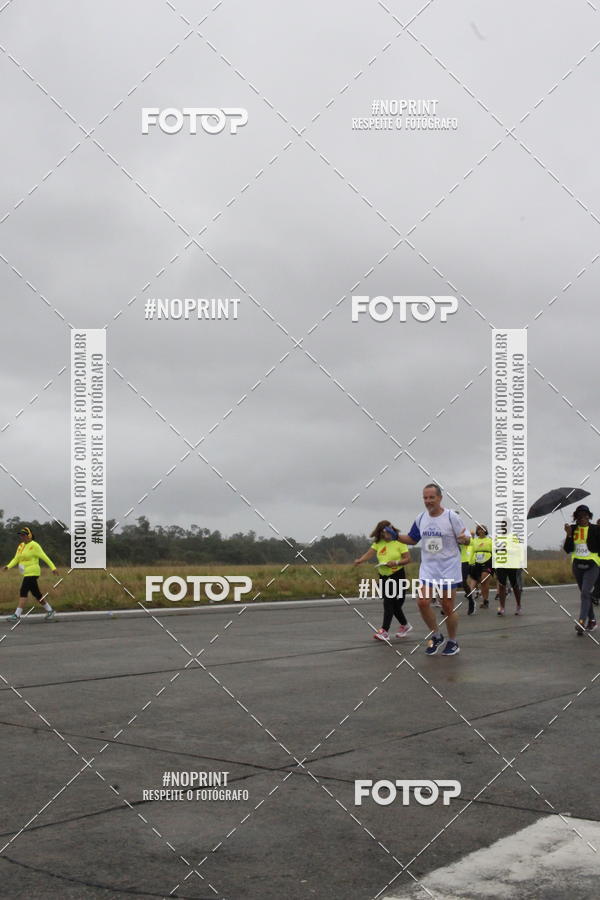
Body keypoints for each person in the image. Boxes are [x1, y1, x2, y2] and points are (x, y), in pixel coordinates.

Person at [395, 484, 470, 656]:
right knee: (422, 602)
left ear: (440, 498)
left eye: (431, 497)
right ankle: (437, 635)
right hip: (429, 568)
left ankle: (453, 641)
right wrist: (396, 536)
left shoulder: (451, 517)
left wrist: (464, 540)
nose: (428, 501)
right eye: (425, 498)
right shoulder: (421, 518)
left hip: (449, 568)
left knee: (447, 607)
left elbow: (467, 538)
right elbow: (412, 539)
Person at [353, 521, 411, 640]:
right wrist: (360, 560)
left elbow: (407, 559)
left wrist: (395, 562)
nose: (386, 534)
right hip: (383, 575)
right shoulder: (379, 543)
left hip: (397, 575)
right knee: (392, 604)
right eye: (383, 532)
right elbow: (370, 554)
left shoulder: (399, 541)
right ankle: (404, 625)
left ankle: (385, 631)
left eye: (387, 531)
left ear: (391, 529)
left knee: (390, 603)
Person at [3, 526, 59, 622]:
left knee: (23, 591)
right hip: (26, 573)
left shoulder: (35, 545)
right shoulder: (20, 546)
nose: (22, 537)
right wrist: (8, 566)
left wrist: (53, 568)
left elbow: (44, 557)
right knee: (36, 594)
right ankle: (50, 610)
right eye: (21, 535)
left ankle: (17, 615)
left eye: (24, 535)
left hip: (33, 572)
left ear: (29, 535)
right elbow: (16, 558)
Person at [563, 505, 600, 634]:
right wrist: (568, 535)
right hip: (577, 566)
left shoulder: (596, 529)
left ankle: (582, 622)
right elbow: (568, 549)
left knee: (585, 592)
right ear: (576, 518)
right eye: (579, 516)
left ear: (589, 516)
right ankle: (593, 621)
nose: (582, 518)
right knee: (585, 595)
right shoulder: (572, 529)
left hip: (592, 564)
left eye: (585, 516)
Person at [494, 521, 523, 616]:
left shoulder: (514, 537)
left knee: (514, 585)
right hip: (501, 564)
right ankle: (502, 607)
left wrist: (507, 549)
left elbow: (518, 550)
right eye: (502, 525)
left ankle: (518, 605)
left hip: (512, 564)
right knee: (502, 585)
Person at [469, 525, 494, 609]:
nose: (481, 531)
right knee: (483, 583)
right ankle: (485, 600)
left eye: (482, 529)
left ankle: (485, 600)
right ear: (477, 531)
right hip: (477, 562)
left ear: (485, 531)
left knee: (484, 580)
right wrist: (470, 562)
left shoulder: (490, 540)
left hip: (488, 561)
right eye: (479, 530)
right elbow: (472, 551)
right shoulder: (474, 541)